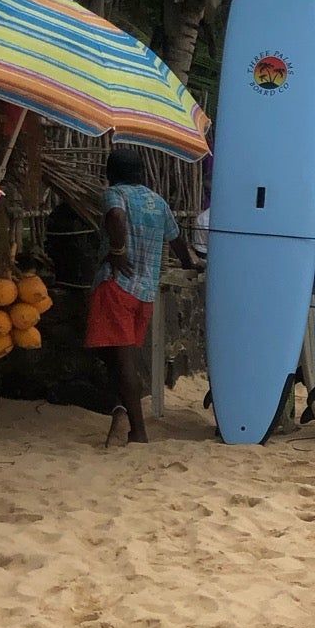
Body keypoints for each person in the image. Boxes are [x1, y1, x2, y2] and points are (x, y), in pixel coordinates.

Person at [85, 147, 197, 445]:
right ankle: (122, 411)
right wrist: (190, 264)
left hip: (117, 286)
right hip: (145, 293)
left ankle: (137, 428)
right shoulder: (157, 202)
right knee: (120, 354)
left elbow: (117, 217)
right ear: (142, 173)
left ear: (111, 173)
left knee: (122, 361)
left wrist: (118, 250)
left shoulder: (114, 194)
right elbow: (176, 240)